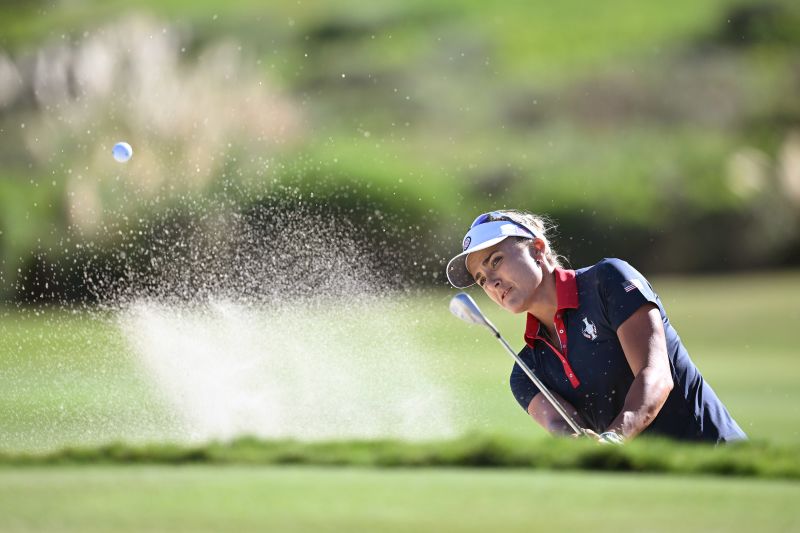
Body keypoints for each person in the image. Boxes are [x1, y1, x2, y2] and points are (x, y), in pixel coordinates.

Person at [446, 209, 747, 444]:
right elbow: (561, 426)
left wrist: (614, 438)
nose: (492, 282)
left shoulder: (608, 281)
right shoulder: (526, 371)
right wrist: (577, 444)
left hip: (718, 459)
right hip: (651, 492)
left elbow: (655, 378)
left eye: (496, 260)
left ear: (538, 249)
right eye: (482, 279)